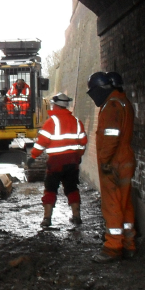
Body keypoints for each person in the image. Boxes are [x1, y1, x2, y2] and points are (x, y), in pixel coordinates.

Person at [86, 71, 136, 263]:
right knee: (125, 202)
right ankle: (129, 243)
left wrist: (105, 160)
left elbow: (111, 136)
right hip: (125, 159)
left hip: (114, 161)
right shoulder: (124, 102)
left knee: (112, 204)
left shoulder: (112, 106)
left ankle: (113, 247)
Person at [27, 93, 88, 227]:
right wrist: (78, 156)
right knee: (72, 188)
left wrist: (33, 156)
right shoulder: (77, 122)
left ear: (55, 105)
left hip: (55, 163)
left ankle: (47, 219)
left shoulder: (51, 122)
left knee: (50, 189)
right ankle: (76, 216)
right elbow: (83, 141)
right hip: (72, 162)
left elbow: (41, 142)